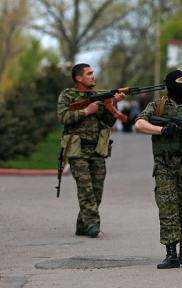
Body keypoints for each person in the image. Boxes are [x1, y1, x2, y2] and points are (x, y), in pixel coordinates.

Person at [135, 70, 182, 269]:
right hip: (165, 165)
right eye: (180, 80)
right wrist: (162, 130)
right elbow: (140, 124)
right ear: (170, 83)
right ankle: (171, 254)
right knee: (168, 208)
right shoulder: (158, 105)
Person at [57, 63, 125, 238]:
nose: (93, 76)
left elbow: (108, 122)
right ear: (78, 78)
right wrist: (87, 111)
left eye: (93, 73)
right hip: (77, 150)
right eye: (89, 74)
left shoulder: (98, 96)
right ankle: (93, 226)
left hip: (97, 150)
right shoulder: (68, 95)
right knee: (86, 189)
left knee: (96, 191)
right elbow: (63, 117)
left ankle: (82, 225)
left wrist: (113, 103)